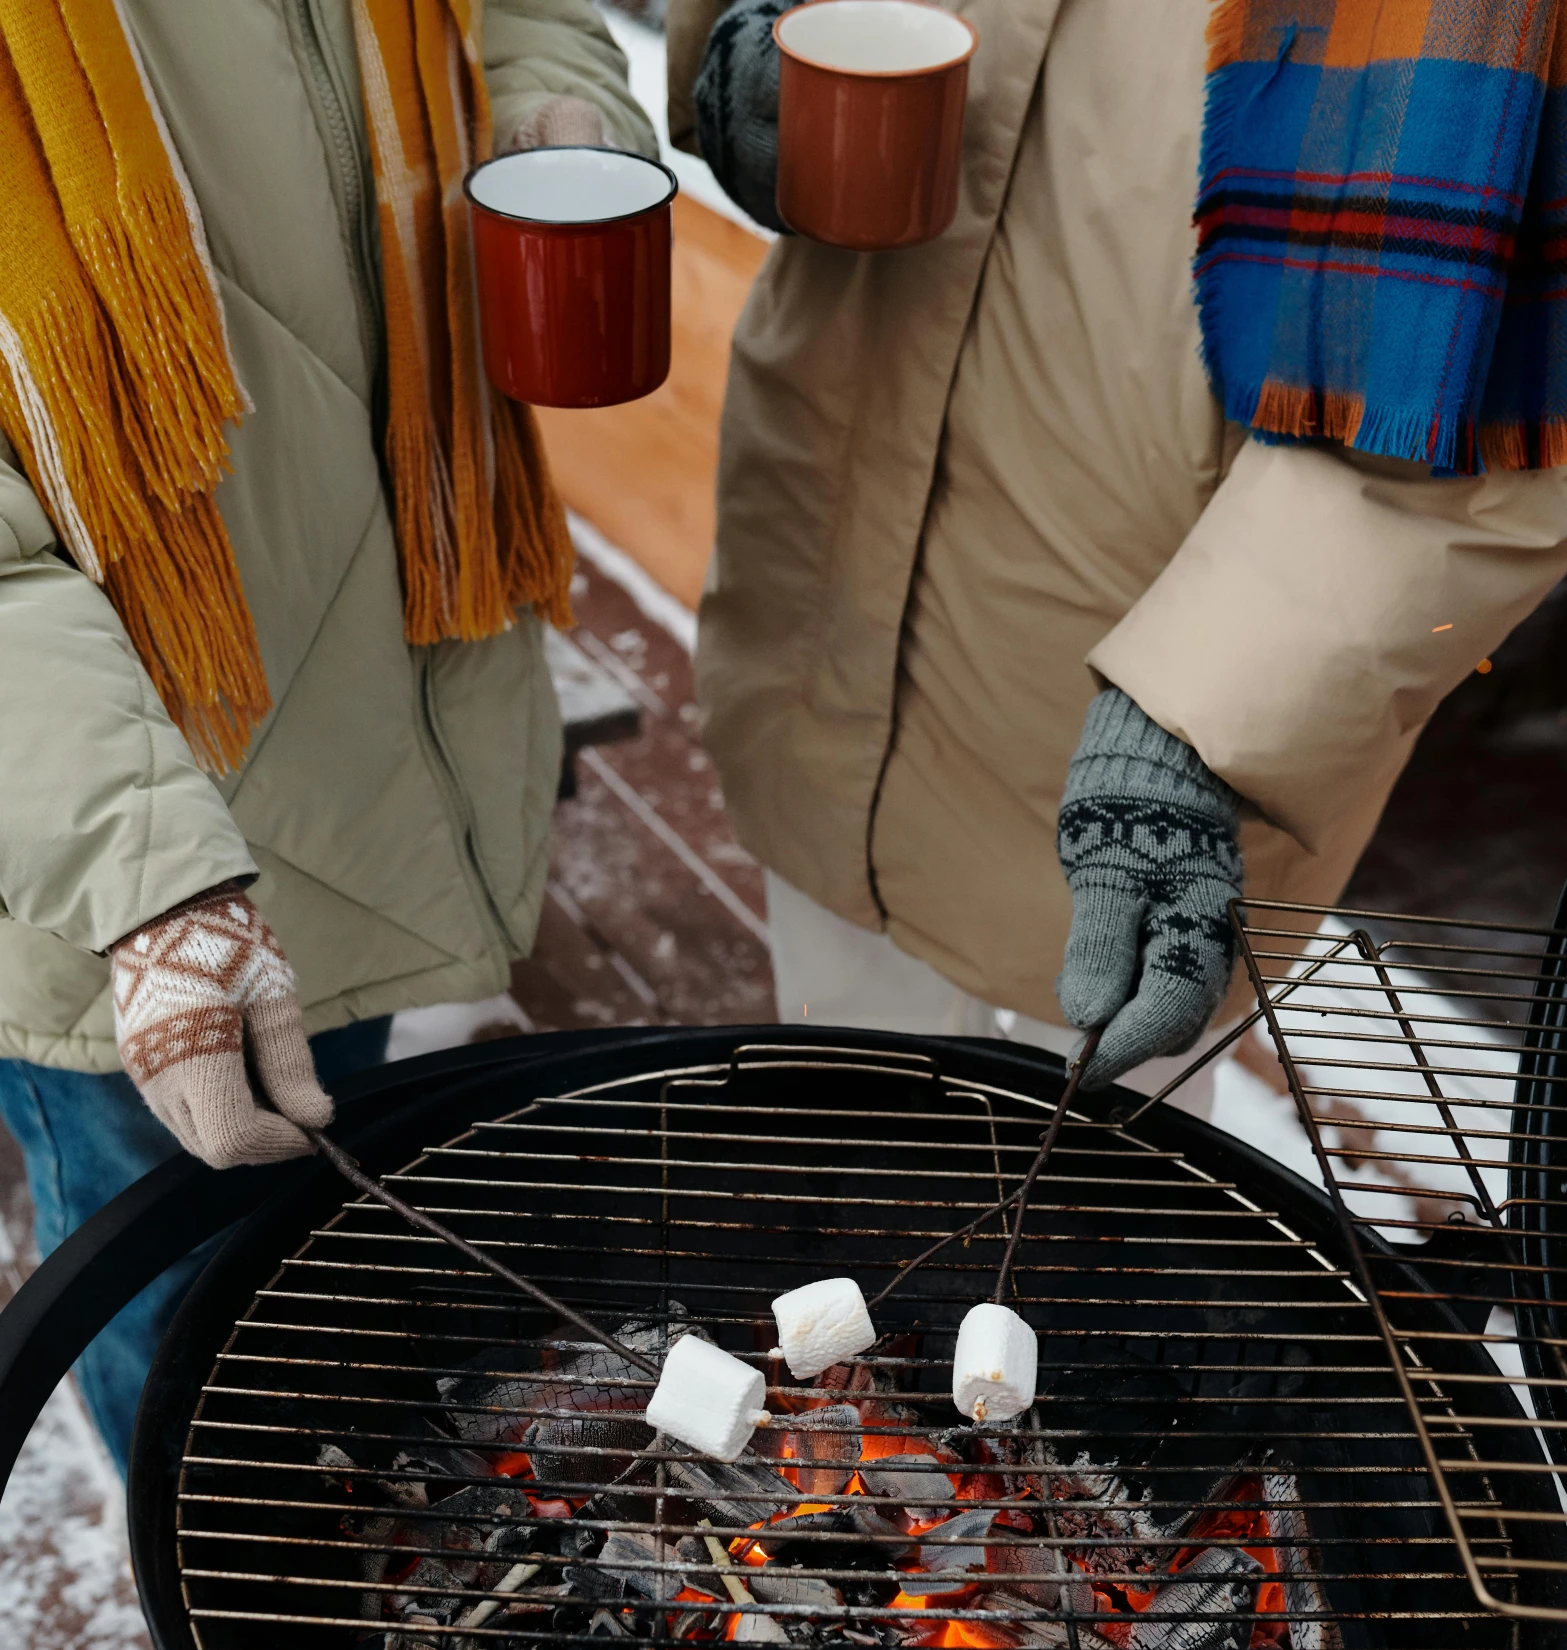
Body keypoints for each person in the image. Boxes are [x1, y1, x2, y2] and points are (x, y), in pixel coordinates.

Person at [669, 0, 1567, 1110]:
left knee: (1089, 1229)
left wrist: (1202, 717)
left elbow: (1494, 410)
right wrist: (746, 64)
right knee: (838, 1129)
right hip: (820, 582)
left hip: (1139, 700)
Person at [0, 0, 655, 1473]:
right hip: (122, 826)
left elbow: (529, 15)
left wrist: (552, 110)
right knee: (163, 1289)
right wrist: (148, 878)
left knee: (313, 1219)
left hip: (377, 716)